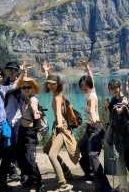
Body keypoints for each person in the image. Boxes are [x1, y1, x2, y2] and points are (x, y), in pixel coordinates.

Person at [42, 62, 79, 192]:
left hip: (61, 128)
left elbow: (58, 111)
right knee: (47, 149)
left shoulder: (58, 97)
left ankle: (63, 184)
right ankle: (66, 171)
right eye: (49, 83)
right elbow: (50, 81)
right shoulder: (56, 92)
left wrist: (58, 123)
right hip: (59, 127)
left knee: (52, 154)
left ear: (57, 85)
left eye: (53, 84)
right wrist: (46, 71)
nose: (50, 85)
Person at [78, 59, 114, 192]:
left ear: (88, 85)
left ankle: (104, 186)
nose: (82, 88)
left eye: (84, 85)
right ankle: (90, 173)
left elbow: (93, 110)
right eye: (81, 86)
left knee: (93, 155)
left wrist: (93, 118)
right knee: (81, 147)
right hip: (90, 127)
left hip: (95, 126)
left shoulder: (92, 96)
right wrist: (87, 67)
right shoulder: (90, 92)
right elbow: (91, 77)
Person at [16, 77, 46, 192]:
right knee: (20, 156)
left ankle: (39, 183)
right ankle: (29, 178)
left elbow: (34, 107)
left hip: (30, 132)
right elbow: (17, 84)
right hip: (21, 131)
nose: (26, 89)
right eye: (24, 87)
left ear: (32, 89)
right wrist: (23, 74)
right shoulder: (24, 97)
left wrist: (35, 112)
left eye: (29, 87)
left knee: (30, 159)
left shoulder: (33, 99)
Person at [106, 79, 129, 190]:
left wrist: (123, 107)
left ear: (119, 87)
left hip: (127, 136)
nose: (114, 90)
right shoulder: (113, 100)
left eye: (115, 87)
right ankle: (123, 187)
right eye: (112, 88)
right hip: (118, 136)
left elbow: (125, 103)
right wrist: (108, 107)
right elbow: (111, 117)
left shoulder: (125, 99)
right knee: (120, 161)